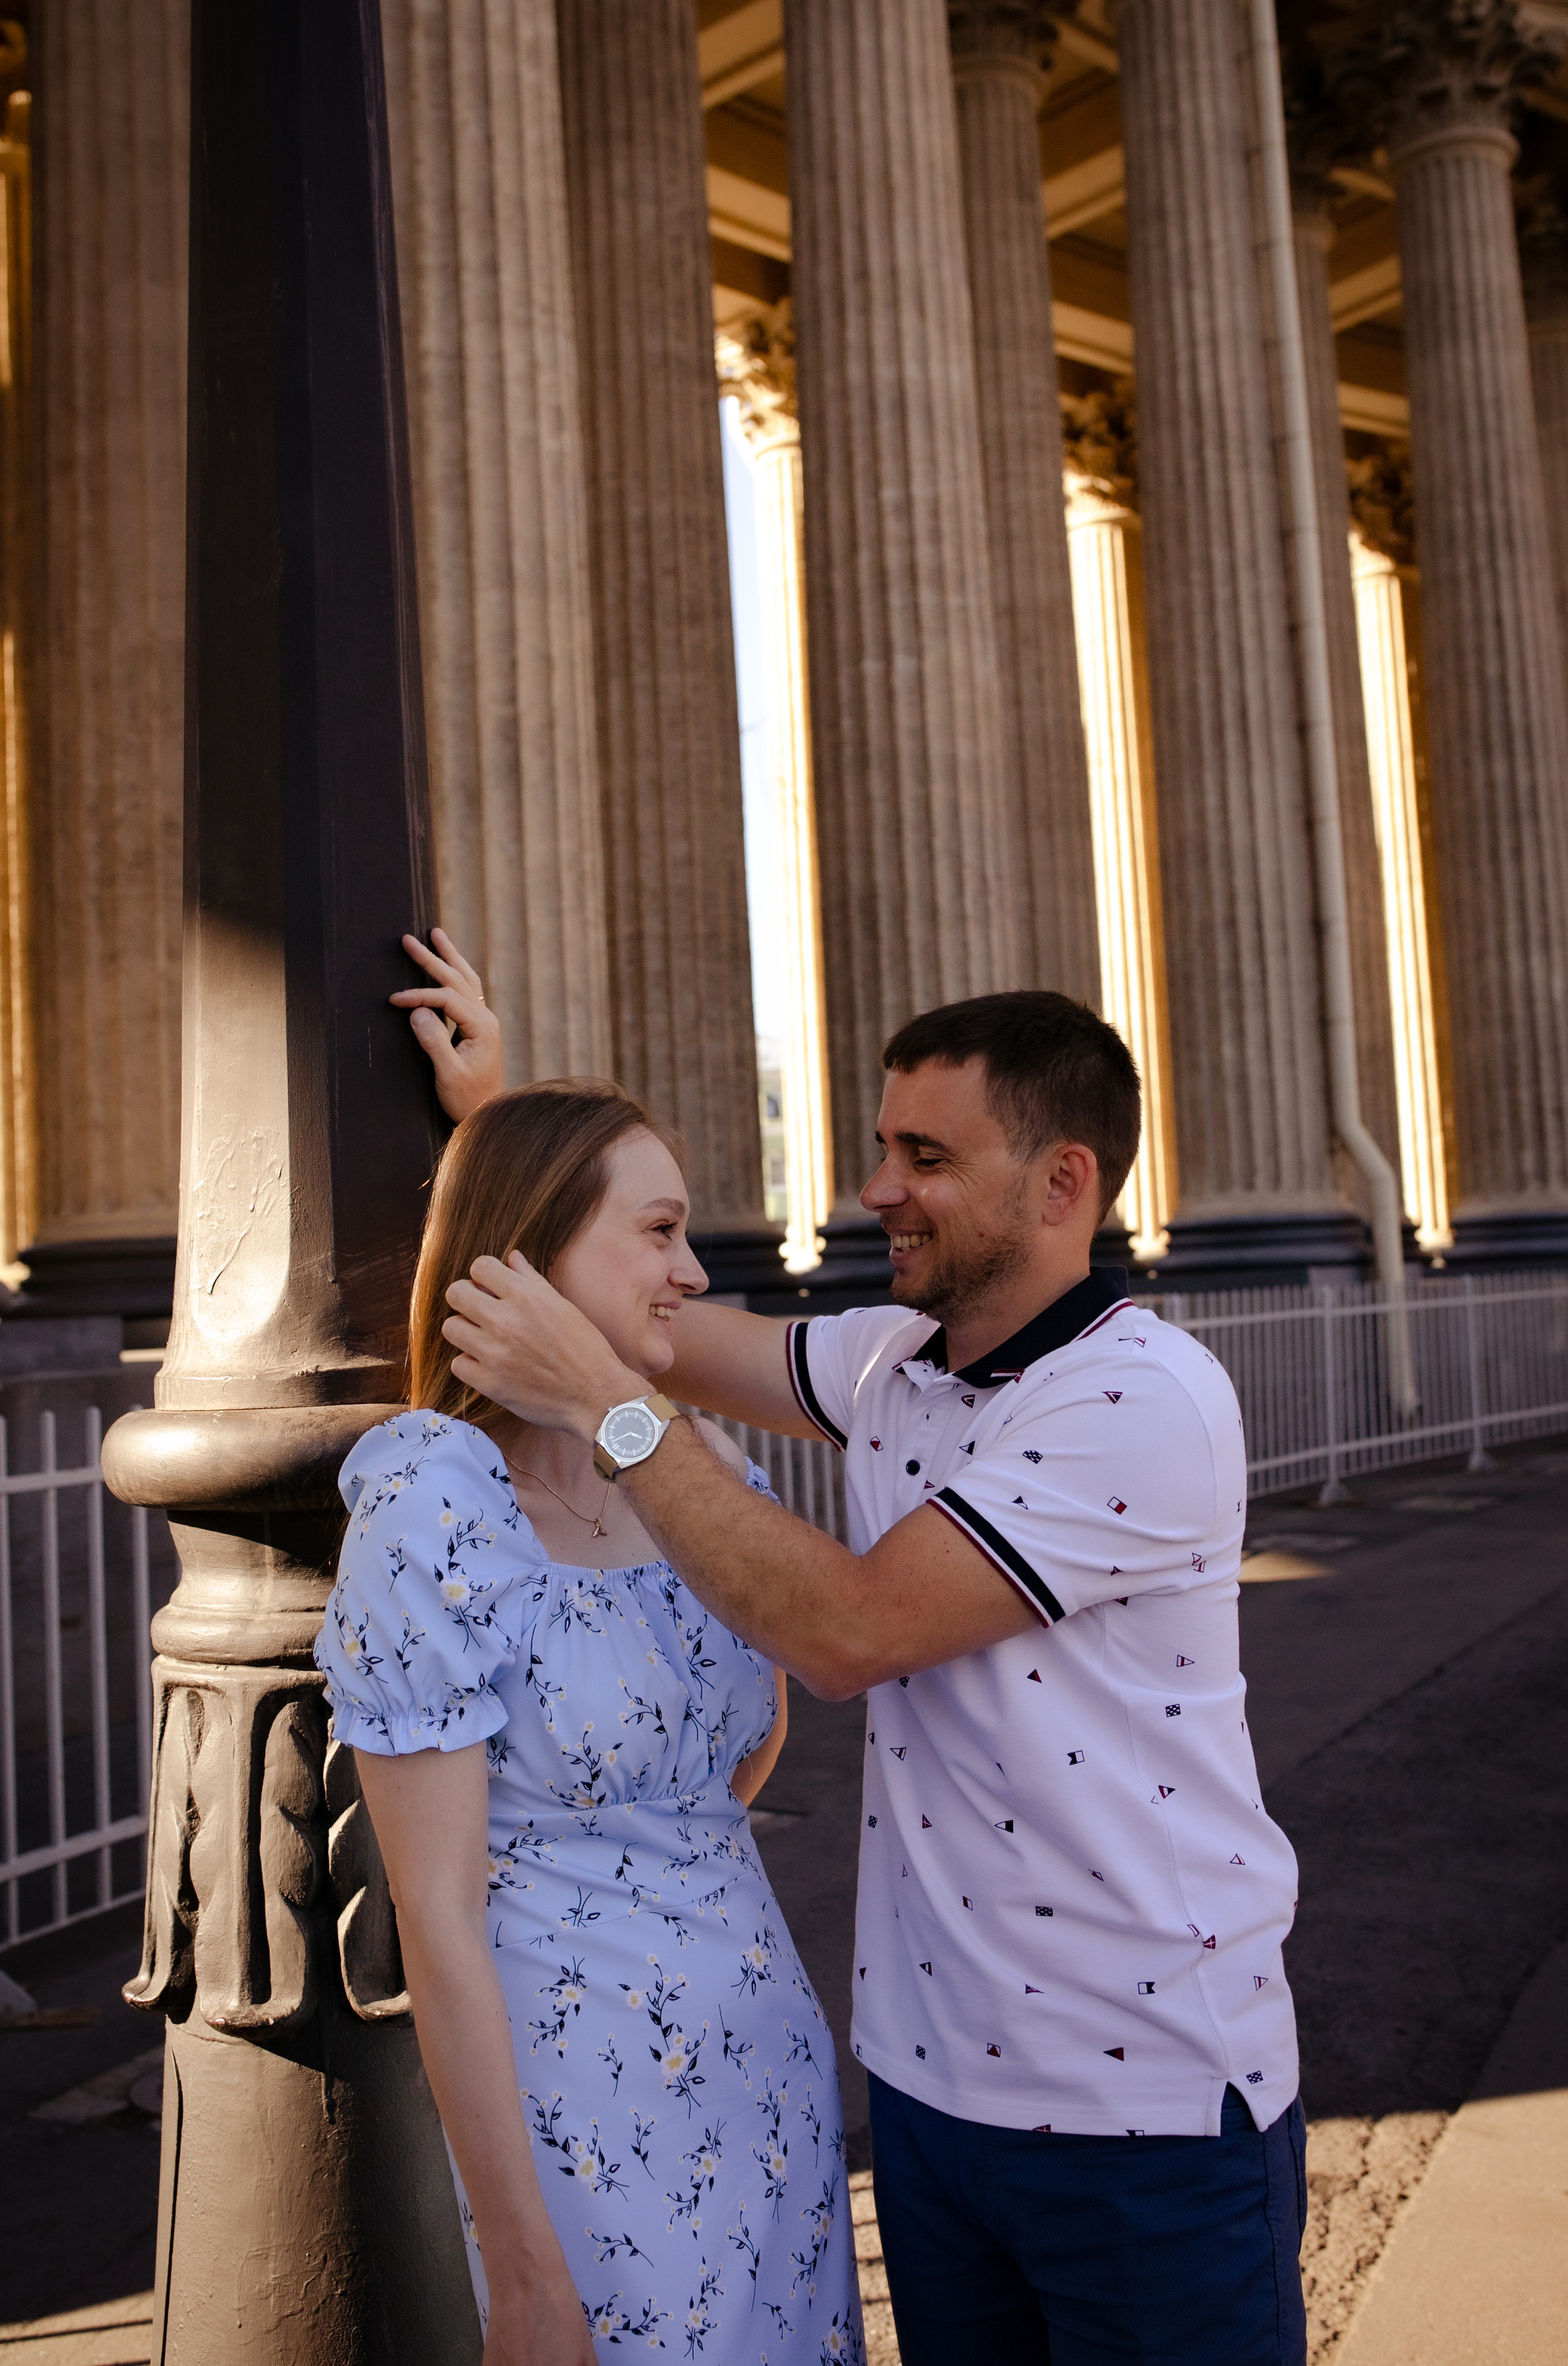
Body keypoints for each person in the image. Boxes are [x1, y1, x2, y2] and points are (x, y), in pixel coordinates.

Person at [400, 931, 1307, 2366]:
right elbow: (648, 1326)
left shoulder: (1139, 1401)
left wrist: (612, 1418)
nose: (876, 1187)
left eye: (924, 1157)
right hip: (934, 2101)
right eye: (883, 1146)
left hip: (1140, 2113)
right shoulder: (894, 1366)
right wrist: (506, 1141)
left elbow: (844, 1633)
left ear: (1060, 1183)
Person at [317, 1047, 865, 2364]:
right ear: (532, 1256)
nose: (691, 1269)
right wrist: (522, 2268)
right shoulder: (434, 1496)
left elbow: (748, 1746)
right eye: (660, 1232)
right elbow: (435, 1919)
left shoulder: (686, 1465)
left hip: (768, 2080)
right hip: (585, 2119)